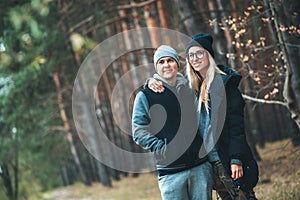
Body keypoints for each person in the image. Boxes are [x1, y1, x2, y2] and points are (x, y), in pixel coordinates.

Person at [148, 34, 259, 200]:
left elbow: (236, 126)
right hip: (208, 163)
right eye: (191, 55)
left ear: (209, 55)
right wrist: (151, 81)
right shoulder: (192, 88)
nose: (195, 58)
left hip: (226, 158)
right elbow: (168, 82)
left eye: (199, 53)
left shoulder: (224, 84)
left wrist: (236, 159)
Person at [131, 45, 213, 200]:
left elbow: (204, 120)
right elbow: (139, 131)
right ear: (156, 67)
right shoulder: (145, 95)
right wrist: (163, 148)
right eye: (161, 62)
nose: (166, 64)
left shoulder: (191, 89)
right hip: (170, 173)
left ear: (178, 65)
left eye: (170, 60)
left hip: (200, 167)